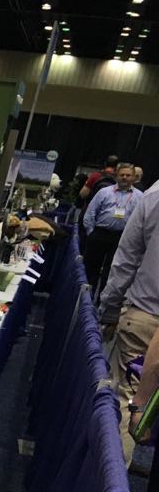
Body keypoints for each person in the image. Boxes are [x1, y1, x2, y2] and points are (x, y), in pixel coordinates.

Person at [102, 182, 159, 461]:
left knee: (128, 403)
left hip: (145, 315)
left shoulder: (154, 195)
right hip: (145, 315)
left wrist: (110, 309)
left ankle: (108, 483)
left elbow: (126, 258)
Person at [84, 163, 142, 290]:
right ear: (116, 176)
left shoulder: (140, 197)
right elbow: (90, 213)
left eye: (128, 175)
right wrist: (91, 233)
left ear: (134, 177)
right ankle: (85, 296)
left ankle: (102, 298)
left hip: (121, 238)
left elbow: (139, 221)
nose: (125, 177)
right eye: (122, 175)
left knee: (112, 272)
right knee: (91, 268)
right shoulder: (104, 192)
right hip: (100, 234)